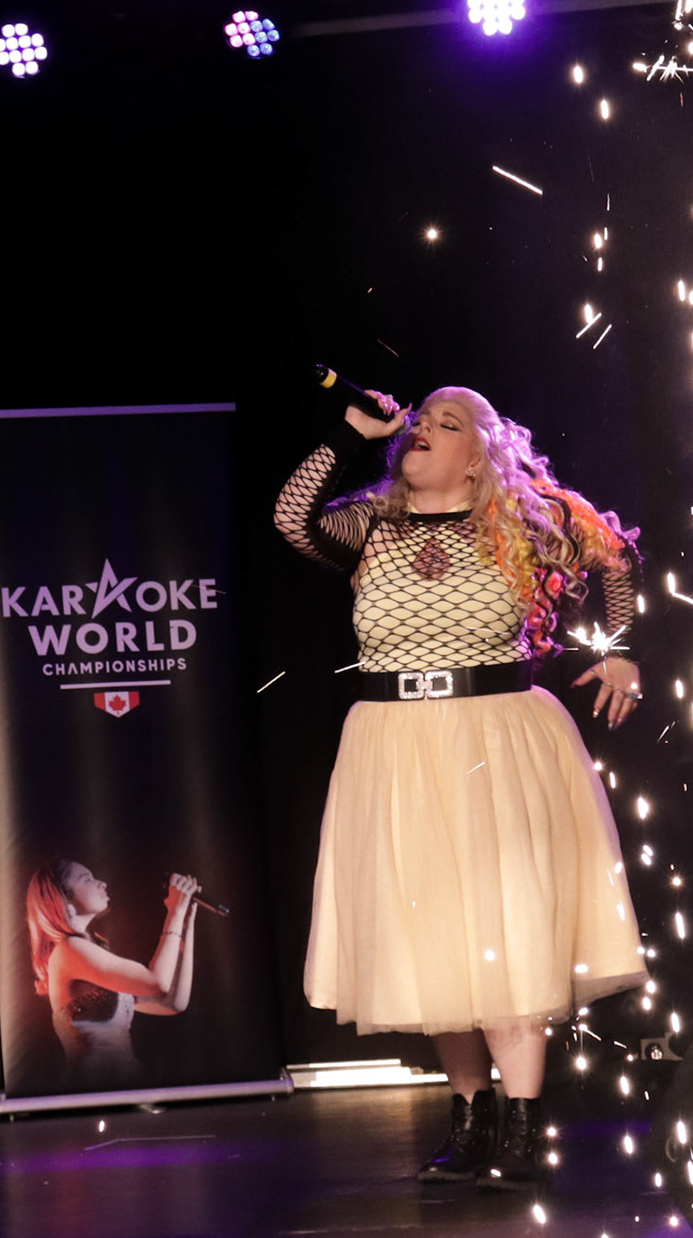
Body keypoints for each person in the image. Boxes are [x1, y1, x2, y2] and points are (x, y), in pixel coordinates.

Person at [274, 385, 648, 1190]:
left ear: (478, 458)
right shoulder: (371, 525)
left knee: (506, 929)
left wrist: (620, 650)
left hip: (495, 737)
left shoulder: (519, 524)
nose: (424, 430)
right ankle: (470, 1116)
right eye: (420, 421)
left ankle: (523, 1123)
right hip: (397, 745)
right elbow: (292, 518)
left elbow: (613, 555)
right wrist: (349, 431)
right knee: (435, 933)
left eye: (447, 424)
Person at [26, 860, 202, 1090]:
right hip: (94, 1091)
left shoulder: (89, 950)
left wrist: (186, 921)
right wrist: (174, 913)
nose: (102, 883)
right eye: (87, 880)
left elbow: (173, 1001)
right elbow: (156, 982)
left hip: (125, 1084)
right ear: (62, 897)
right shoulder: (69, 949)